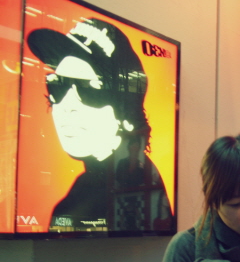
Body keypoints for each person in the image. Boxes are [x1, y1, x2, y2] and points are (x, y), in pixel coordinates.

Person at [26, 17, 172, 232]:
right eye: (58, 85)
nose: (67, 105)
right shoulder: (91, 186)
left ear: (125, 110)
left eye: (89, 88)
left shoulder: (134, 188)